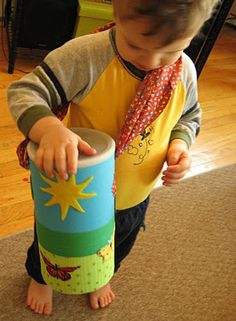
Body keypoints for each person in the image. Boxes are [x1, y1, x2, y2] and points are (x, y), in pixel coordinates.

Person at [8, 0, 220, 315]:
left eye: (171, 50)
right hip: (78, 191)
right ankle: (41, 277)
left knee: (119, 240)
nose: (152, 62)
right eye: (136, 45)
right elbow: (25, 92)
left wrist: (180, 146)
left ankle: (102, 275)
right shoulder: (87, 56)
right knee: (55, 240)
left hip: (134, 193)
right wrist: (49, 128)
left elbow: (188, 116)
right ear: (116, 14)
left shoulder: (184, 69)